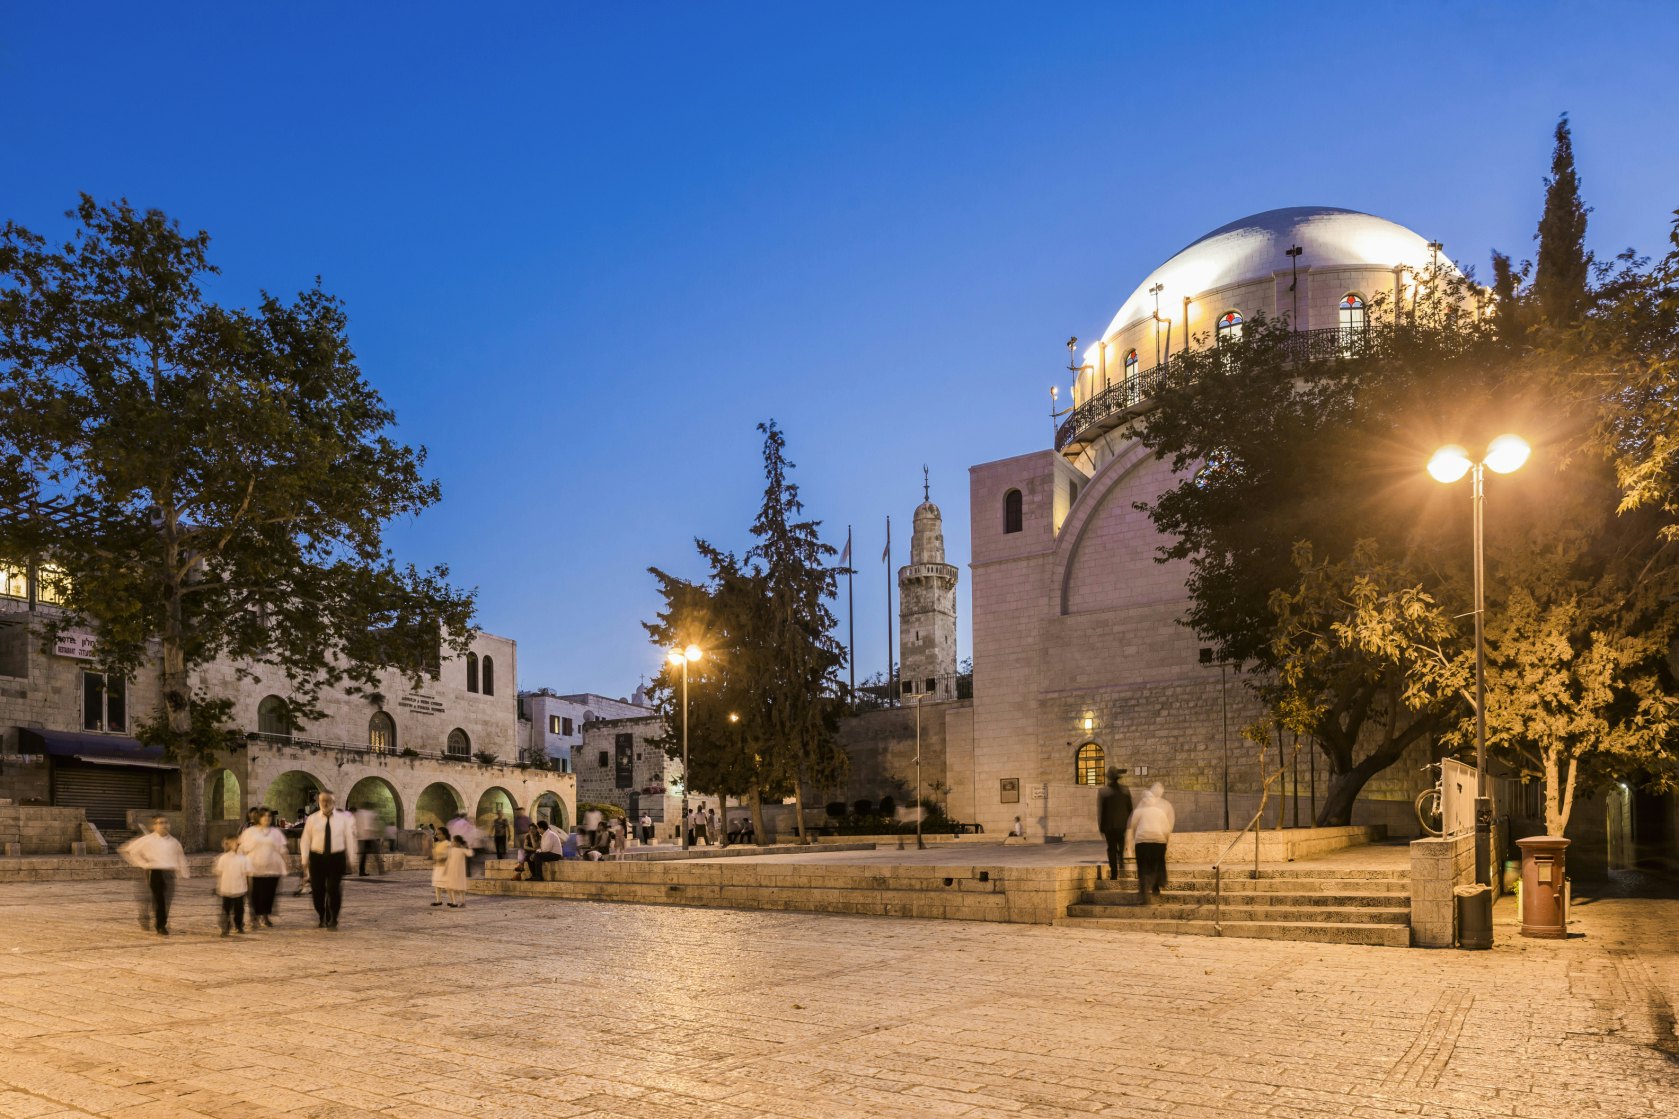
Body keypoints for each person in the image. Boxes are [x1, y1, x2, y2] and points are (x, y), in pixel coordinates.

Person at [120, 815, 188, 936]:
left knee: (167, 900)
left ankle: (157, 920)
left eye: (166, 822)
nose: (164, 825)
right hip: (154, 871)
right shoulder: (148, 840)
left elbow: (180, 857)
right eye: (160, 823)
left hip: (169, 872)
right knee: (159, 900)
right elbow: (128, 850)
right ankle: (160, 925)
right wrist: (143, 864)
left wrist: (183, 872)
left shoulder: (174, 842)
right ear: (154, 826)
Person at [297, 790, 356, 928]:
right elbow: (305, 840)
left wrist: (351, 859)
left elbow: (350, 839)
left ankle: (333, 916)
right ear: (319, 802)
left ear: (333, 802)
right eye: (322, 800)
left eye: (328, 800)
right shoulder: (312, 819)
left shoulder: (343, 819)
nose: (325, 803)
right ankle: (321, 914)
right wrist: (304, 860)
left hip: (336, 857)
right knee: (317, 890)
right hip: (317, 858)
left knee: (333, 888)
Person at [237, 809, 288, 927]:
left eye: (269, 816)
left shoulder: (275, 832)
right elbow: (242, 848)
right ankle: (254, 915)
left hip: (272, 867)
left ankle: (265, 916)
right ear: (258, 818)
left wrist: (286, 862)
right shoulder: (250, 832)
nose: (267, 818)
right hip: (254, 867)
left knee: (269, 893)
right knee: (254, 893)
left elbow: (282, 848)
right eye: (264, 816)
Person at [1127, 787, 1174, 904]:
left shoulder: (1138, 812)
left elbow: (1132, 827)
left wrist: (1131, 844)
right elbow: (1166, 830)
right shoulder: (1160, 812)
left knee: (1143, 868)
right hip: (1158, 842)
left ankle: (1143, 893)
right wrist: (1166, 843)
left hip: (1142, 843)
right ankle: (1156, 887)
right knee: (1156, 865)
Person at [1097, 766, 1134, 882]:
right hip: (1121, 825)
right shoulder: (1125, 790)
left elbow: (1101, 811)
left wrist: (1101, 827)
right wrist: (1128, 822)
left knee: (1111, 849)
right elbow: (1130, 809)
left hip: (1109, 826)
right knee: (1121, 844)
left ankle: (1114, 873)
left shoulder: (1103, 792)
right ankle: (1121, 859)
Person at [213, 836, 251, 936]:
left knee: (239, 910)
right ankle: (225, 927)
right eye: (230, 843)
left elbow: (246, 872)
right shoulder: (223, 858)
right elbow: (219, 872)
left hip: (239, 888)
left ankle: (238, 925)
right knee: (226, 910)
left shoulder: (242, 859)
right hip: (226, 888)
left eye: (235, 843)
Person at [441, 834, 471, 907]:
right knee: (451, 887)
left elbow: (469, 854)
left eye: (453, 841)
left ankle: (463, 902)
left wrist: (466, 847)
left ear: (457, 842)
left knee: (461, 888)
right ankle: (454, 902)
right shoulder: (451, 850)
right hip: (451, 871)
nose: (452, 843)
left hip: (460, 872)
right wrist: (445, 870)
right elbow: (448, 860)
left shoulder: (462, 850)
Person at [355, 804, 384, 876]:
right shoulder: (371, 813)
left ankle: (361, 871)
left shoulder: (359, 813)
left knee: (363, 856)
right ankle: (381, 869)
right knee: (376, 853)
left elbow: (356, 825)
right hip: (369, 836)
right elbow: (372, 825)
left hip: (362, 837)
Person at [430, 829, 452, 905]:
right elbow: (435, 854)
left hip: (445, 867)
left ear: (445, 834)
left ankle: (452, 901)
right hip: (438, 866)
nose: (437, 835)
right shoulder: (437, 844)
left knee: (447, 884)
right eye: (437, 834)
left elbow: (449, 854)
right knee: (437, 884)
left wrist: (442, 857)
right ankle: (438, 900)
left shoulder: (448, 843)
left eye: (439, 834)